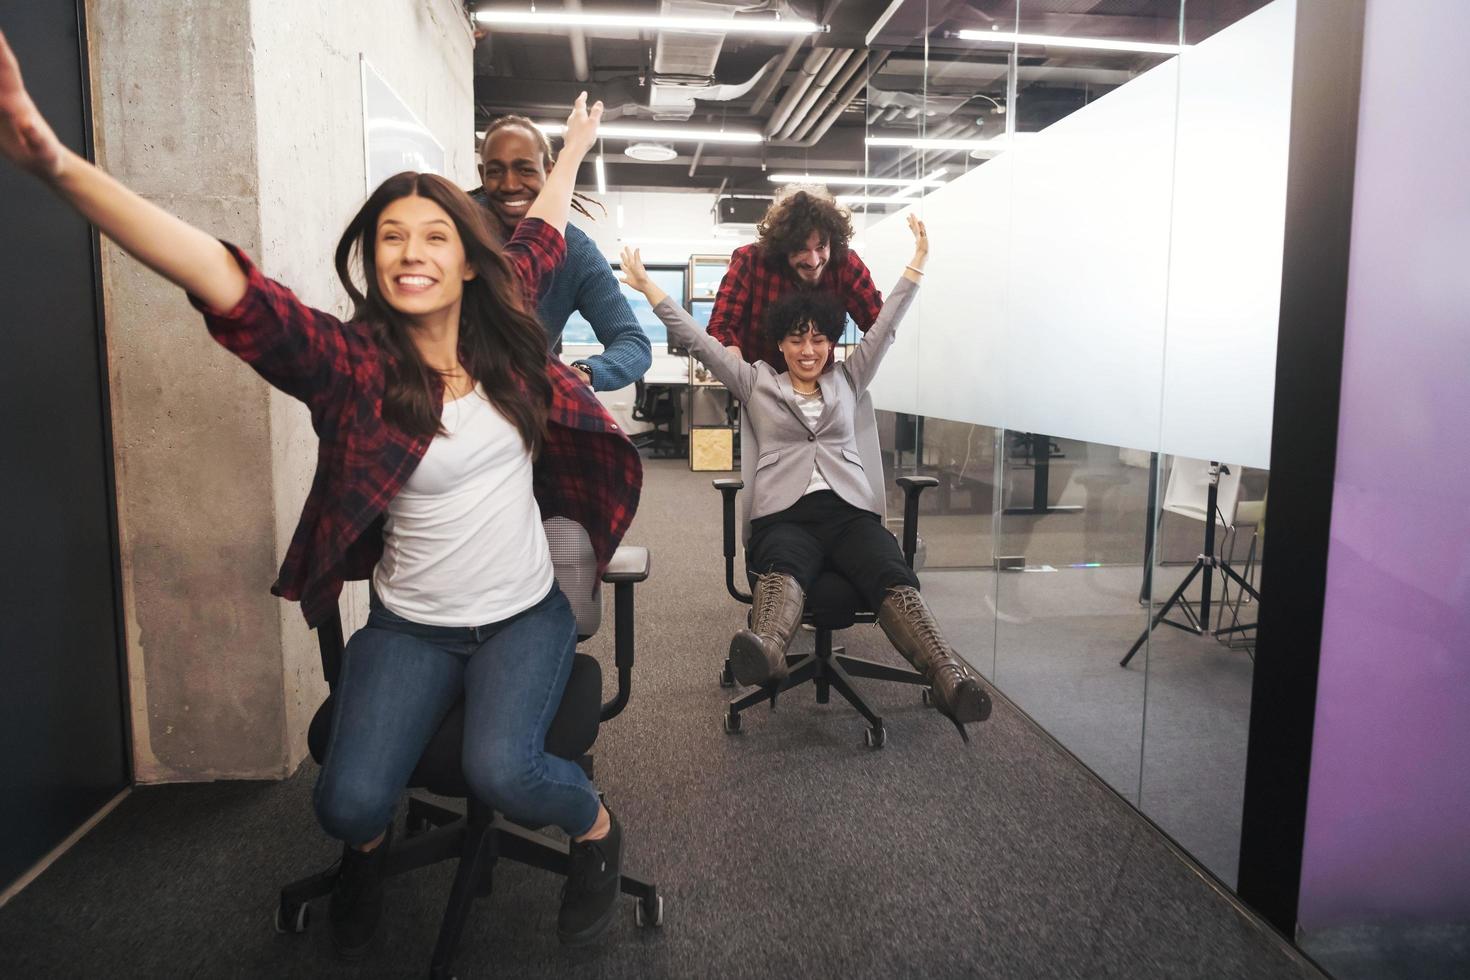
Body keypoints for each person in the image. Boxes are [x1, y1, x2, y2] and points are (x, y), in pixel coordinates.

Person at [0, 31, 638, 955]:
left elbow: (539, 229)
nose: (412, 252)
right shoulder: (352, 367)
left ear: (467, 261)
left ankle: (596, 831)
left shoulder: (508, 345)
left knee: (509, 771)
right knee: (346, 801)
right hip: (412, 621)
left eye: (434, 237)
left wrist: (573, 146)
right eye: (391, 238)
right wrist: (58, 167)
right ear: (373, 261)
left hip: (520, 615)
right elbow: (227, 286)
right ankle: (369, 853)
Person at [620, 216, 992, 735]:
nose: (809, 350)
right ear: (781, 344)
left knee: (888, 570)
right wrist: (647, 287)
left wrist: (918, 265)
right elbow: (700, 340)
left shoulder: (850, 377)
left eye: (818, 340)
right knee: (785, 566)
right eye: (797, 340)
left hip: (848, 513)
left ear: (830, 343)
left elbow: (884, 327)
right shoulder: (756, 382)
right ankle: (767, 654)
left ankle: (950, 677)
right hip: (785, 514)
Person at [474, 114, 651, 390]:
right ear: (482, 174)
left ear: (549, 171)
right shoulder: (451, 228)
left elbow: (633, 343)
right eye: (496, 171)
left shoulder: (576, 252)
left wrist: (585, 372)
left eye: (525, 170)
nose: (510, 184)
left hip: (521, 404)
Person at [707, 186, 884, 371]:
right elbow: (721, 329)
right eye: (801, 249)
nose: (814, 261)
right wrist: (746, 382)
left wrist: (848, 378)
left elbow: (879, 326)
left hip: (822, 388)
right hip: (760, 384)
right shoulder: (751, 261)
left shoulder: (846, 266)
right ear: (783, 247)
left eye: (821, 247)